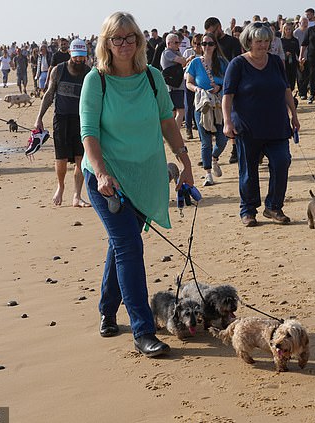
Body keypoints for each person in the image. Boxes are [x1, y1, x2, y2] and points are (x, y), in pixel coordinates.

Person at [79, 12, 193, 357]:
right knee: (129, 245)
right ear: (106, 43)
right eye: (117, 38)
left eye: (130, 38)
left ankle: (106, 309)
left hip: (145, 176)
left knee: (121, 245)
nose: (125, 44)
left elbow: (166, 122)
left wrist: (185, 160)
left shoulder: (153, 78)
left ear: (140, 41)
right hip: (107, 177)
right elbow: (89, 134)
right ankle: (143, 330)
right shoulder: (95, 81)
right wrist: (100, 174)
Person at [222, 22, 299, 227]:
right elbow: (227, 96)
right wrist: (227, 122)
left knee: (282, 161)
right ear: (249, 42)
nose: (263, 45)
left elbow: (286, 89)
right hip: (247, 127)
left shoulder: (275, 62)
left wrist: (294, 115)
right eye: (258, 41)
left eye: (266, 41)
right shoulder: (237, 64)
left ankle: (274, 206)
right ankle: (248, 209)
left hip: (277, 124)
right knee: (248, 170)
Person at [34, 39, 91, 207]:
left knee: (81, 158)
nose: (79, 60)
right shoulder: (58, 71)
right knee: (61, 158)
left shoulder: (89, 72)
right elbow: (49, 94)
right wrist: (39, 118)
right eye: (76, 57)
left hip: (81, 119)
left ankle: (77, 196)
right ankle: (60, 186)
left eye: (82, 57)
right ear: (70, 54)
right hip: (61, 118)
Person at [186, 32, 228, 187]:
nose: (207, 47)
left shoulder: (222, 63)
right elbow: (189, 82)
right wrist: (197, 89)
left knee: (222, 139)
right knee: (205, 141)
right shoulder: (195, 63)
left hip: (218, 104)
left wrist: (220, 87)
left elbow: (229, 81)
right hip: (202, 105)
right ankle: (208, 173)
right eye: (204, 44)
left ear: (215, 45)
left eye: (210, 44)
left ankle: (214, 158)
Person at [204, 17, 243, 164]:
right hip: (213, 88)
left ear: (219, 27)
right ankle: (209, 155)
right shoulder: (210, 42)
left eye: (214, 31)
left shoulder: (232, 42)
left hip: (230, 83)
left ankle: (235, 150)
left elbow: (236, 60)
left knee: (231, 116)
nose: (212, 35)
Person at [160, 33, 189, 132]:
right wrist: (183, 58)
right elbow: (182, 61)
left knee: (173, 112)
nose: (178, 45)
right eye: (176, 43)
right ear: (169, 43)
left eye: (179, 42)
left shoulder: (173, 52)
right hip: (173, 87)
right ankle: (175, 133)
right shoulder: (167, 52)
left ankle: (170, 132)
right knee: (180, 111)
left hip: (176, 86)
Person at [182, 33, 203, 140]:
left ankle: (201, 129)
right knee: (189, 105)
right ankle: (188, 128)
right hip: (189, 81)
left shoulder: (205, 53)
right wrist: (188, 61)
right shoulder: (188, 52)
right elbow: (182, 66)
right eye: (195, 43)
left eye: (199, 43)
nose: (197, 46)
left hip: (200, 83)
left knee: (200, 106)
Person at [293, 16, 310, 99]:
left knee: (307, 75)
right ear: (299, 23)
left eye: (306, 22)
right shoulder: (295, 33)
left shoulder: (310, 31)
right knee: (300, 76)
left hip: (308, 57)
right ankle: (302, 92)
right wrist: (299, 57)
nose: (305, 24)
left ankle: (306, 92)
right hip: (298, 57)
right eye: (303, 23)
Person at [281, 22, 300, 90]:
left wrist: (300, 61)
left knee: (292, 80)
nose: (288, 31)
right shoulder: (281, 40)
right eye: (287, 29)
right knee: (286, 79)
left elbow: (298, 52)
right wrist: (285, 54)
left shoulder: (295, 40)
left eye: (290, 29)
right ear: (284, 30)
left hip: (293, 62)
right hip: (284, 62)